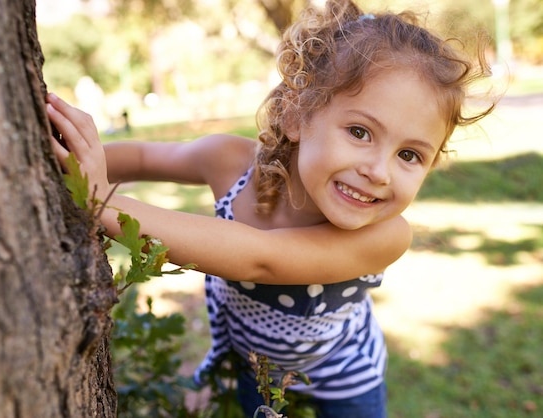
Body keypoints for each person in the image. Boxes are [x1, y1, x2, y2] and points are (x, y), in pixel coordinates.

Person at [47, 0, 494, 416]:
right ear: (297, 115)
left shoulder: (386, 235)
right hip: (255, 370)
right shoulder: (229, 163)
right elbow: (146, 159)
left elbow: (260, 258)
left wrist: (102, 200)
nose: (379, 171)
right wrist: (73, 156)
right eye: (359, 132)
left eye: (410, 155)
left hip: (344, 383)